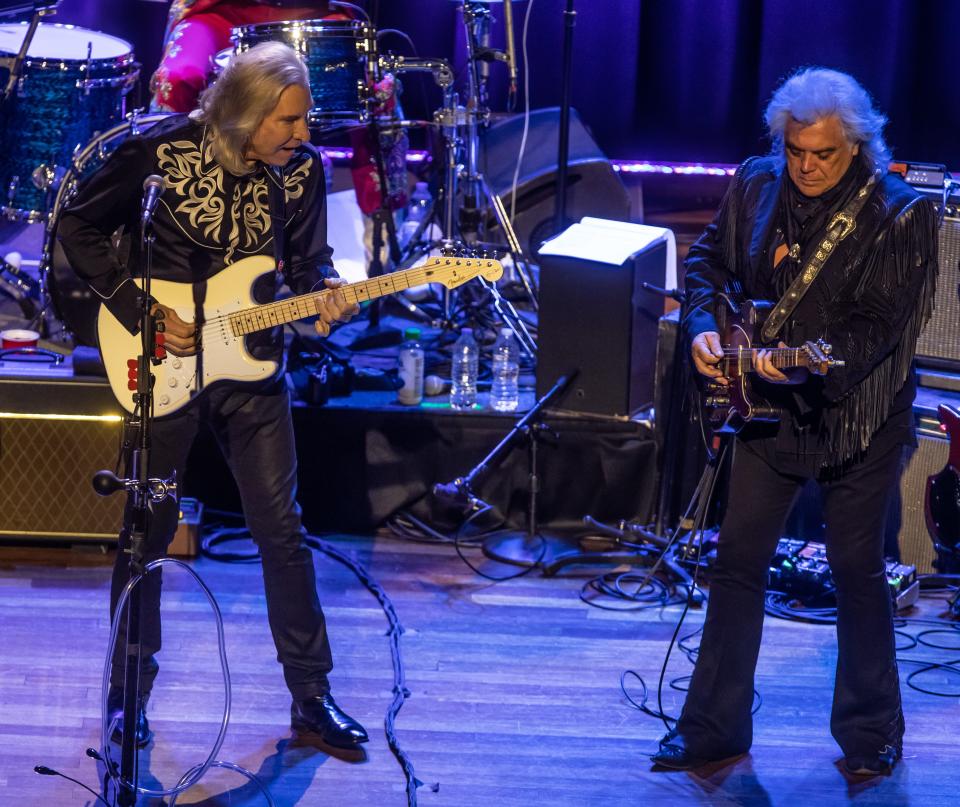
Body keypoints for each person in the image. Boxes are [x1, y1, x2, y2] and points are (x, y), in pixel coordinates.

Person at [58, 42, 368, 751]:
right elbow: (78, 225)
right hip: (162, 363)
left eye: (305, 119)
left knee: (281, 530)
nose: (303, 134)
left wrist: (326, 296)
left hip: (253, 370)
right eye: (288, 121)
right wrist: (139, 307)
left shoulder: (302, 175)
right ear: (245, 113)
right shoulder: (158, 155)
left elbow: (310, 265)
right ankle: (126, 700)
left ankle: (312, 697)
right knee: (147, 529)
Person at [651, 67, 938, 776]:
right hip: (766, 412)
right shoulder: (755, 180)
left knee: (856, 570)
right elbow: (707, 266)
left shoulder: (900, 214)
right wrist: (700, 330)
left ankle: (871, 733)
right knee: (737, 561)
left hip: (858, 420)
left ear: (858, 147)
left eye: (825, 155)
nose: (807, 166)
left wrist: (807, 364)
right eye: (797, 151)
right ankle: (712, 726)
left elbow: (876, 331)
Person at [151, 0, 349, 113]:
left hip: (313, 11)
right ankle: (168, 175)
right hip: (219, 12)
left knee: (371, 90)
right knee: (177, 76)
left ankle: (376, 185)